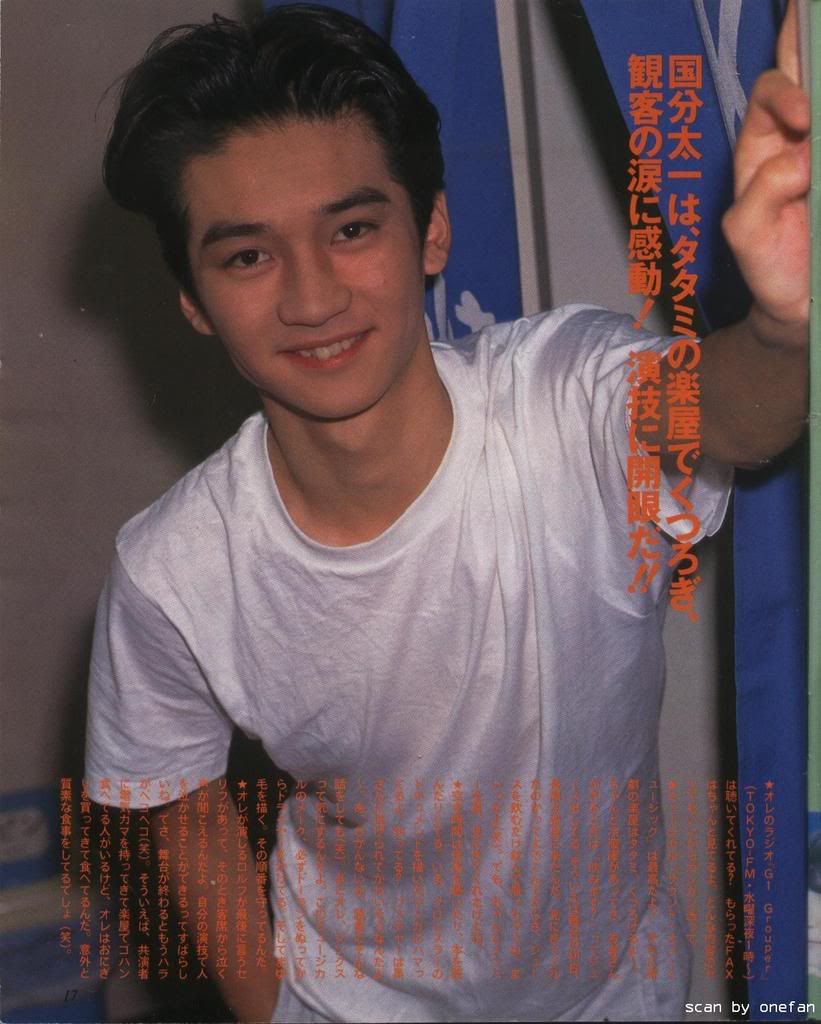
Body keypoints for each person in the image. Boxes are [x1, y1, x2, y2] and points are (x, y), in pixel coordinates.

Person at [84, 3, 809, 1021]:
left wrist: (782, 328)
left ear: (430, 230)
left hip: (617, 996)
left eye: (351, 230)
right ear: (195, 300)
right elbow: (175, 804)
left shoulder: (562, 403)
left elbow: (718, 413)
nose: (311, 298)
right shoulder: (173, 572)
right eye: (247, 256)